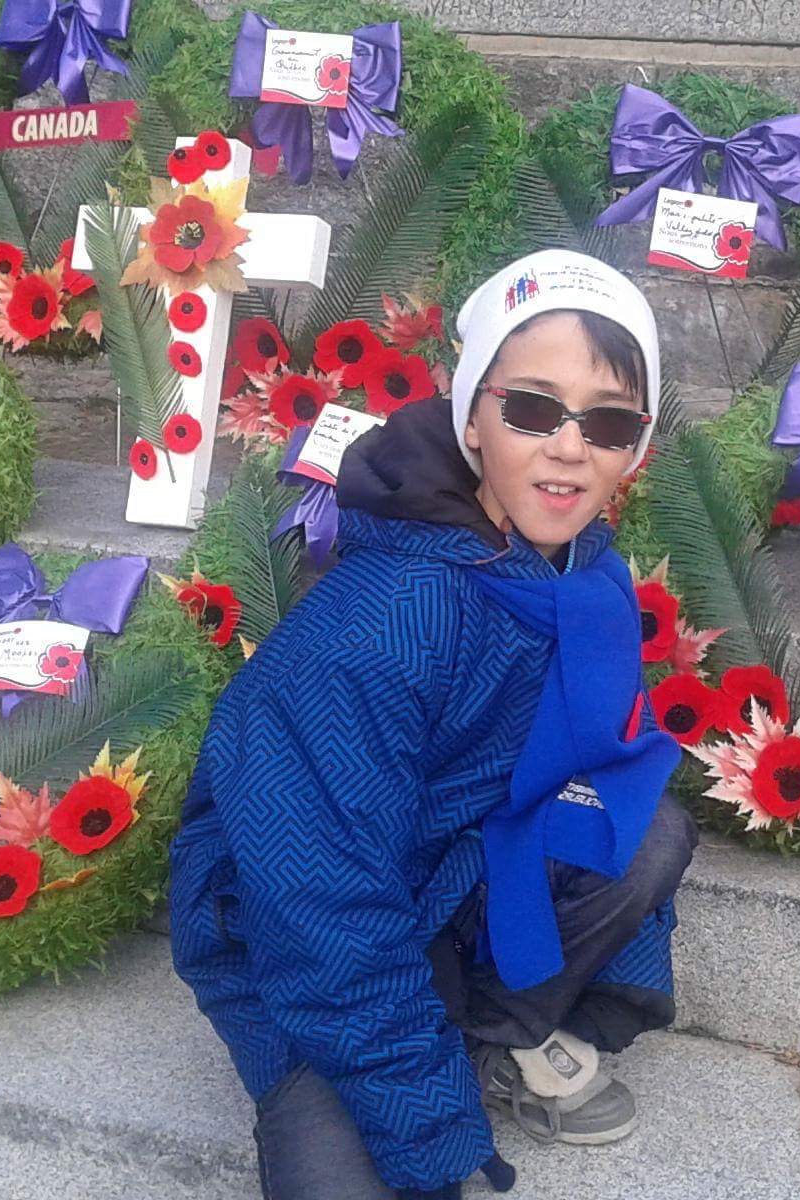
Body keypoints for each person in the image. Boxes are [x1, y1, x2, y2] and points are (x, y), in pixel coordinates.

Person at [171, 251, 696, 1200]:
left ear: (638, 446)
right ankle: (427, 1048)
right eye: (532, 408)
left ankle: (491, 1028)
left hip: (454, 876)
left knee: (645, 825)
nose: (570, 447)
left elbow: (605, 766)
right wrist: (432, 1124)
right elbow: (320, 906)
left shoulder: (583, 575)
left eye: (609, 421)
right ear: (471, 413)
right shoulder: (384, 620)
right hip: (310, 938)